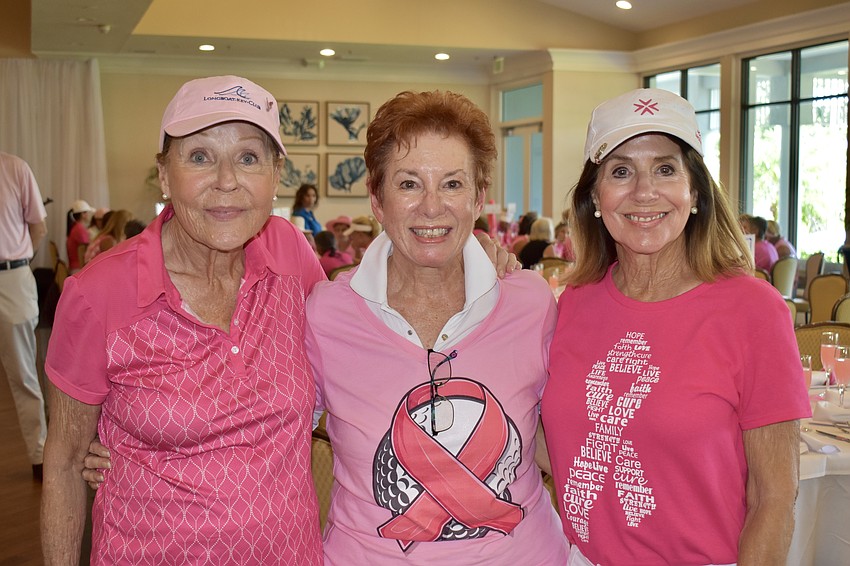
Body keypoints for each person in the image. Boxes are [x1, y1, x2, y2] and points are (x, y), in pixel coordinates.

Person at [41, 75, 326, 565]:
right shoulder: (99, 293)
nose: (227, 180)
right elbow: (66, 463)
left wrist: (480, 263)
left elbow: (372, 327)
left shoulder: (290, 253)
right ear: (165, 174)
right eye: (199, 156)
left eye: (249, 157)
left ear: (276, 175)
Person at [541, 88, 810, 565]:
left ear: (695, 193)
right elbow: (552, 446)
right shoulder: (570, 306)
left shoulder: (753, 311)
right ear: (594, 198)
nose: (644, 191)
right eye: (620, 172)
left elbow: (773, 498)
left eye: (666, 169)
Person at [305, 90, 568, 563]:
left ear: (478, 198)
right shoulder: (325, 314)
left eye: (451, 184)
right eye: (408, 184)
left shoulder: (531, 304)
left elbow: (564, 440)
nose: (432, 207)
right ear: (377, 199)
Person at [0, 151, 48, 481]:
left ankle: (40, 454)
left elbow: (38, 226)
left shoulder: (13, 167)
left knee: (23, 373)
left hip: (10, 277)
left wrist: (18, 264)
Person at [65, 199, 94, 273]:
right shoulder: (80, 229)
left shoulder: (75, 227)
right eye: (87, 213)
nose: (88, 215)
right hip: (78, 268)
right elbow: (87, 249)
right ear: (83, 214)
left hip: (74, 266)